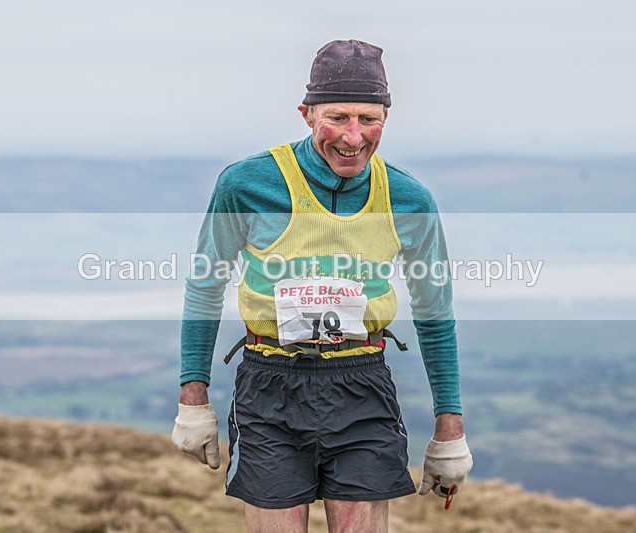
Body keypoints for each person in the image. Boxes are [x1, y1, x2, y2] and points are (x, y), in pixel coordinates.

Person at [171, 39, 473, 533]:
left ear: (386, 118)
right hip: (269, 385)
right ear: (307, 114)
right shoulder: (247, 184)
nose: (354, 137)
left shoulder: (409, 198)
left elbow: (435, 316)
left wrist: (450, 430)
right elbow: (205, 289)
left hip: (362, 385)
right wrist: (193, 399)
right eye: (338, 117)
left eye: (369, 119)